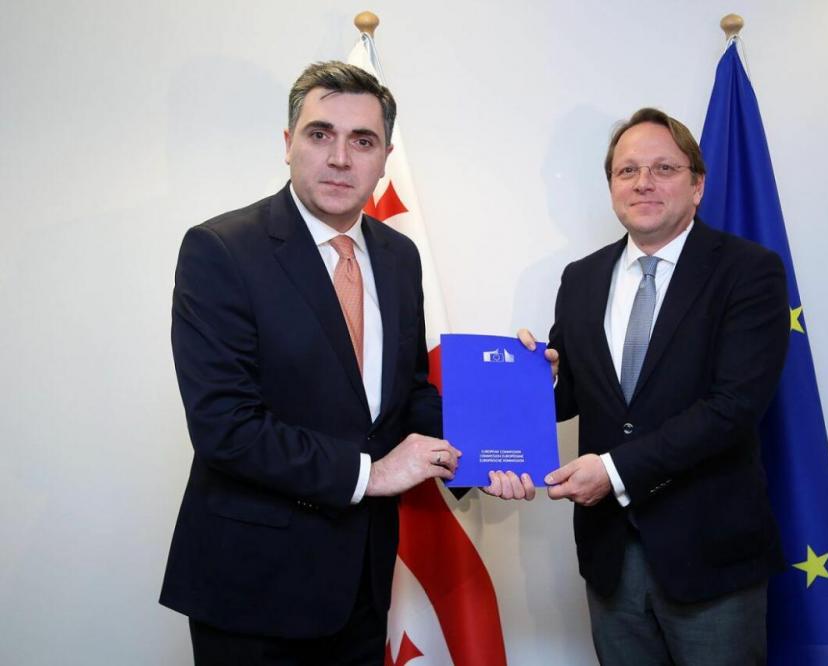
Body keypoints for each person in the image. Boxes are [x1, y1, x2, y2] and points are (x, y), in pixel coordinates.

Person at [160, 61, 461, 666]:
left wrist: (500, 427)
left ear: (385, 158)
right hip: (253, 588)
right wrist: (370, 475)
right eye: (321, 134)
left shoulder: (398, 257)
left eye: (363, 141)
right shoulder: (221, 249)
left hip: (363, 584)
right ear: (288, 144)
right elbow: (225, 426)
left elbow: (404, 396)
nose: (341, 158)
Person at [518, 108, 790, 665]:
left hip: (710, 555)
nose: (643, 182)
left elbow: (733, 408)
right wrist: (533, 379)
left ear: (697, 186)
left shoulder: (749, 271)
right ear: (612, 187)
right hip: (610, 556)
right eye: (628, 170)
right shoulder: (581, 278)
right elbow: (572, 395)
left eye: (663, 168)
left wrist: (613, 471)